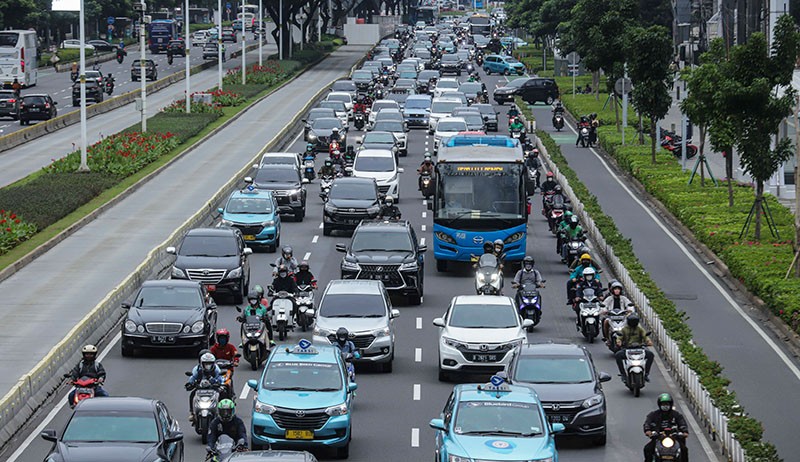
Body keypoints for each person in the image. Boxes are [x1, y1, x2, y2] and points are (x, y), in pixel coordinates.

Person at [643, 393, 689, 462]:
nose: (665, 406)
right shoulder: (654, 415)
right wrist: (648, 431)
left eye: (667, 404)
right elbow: (647, 423)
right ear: (659, 405)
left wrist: (684, 432)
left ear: (670, 404)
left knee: (684, 450)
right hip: (658, 438)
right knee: (647, 449)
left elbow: (682, 424)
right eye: (663, 404)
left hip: (674, 438)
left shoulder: (676, 415)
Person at [615, 314, 654, 383]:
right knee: (618, 355)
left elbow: (645, 336)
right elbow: (619, 337)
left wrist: (648, 341)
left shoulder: (640, 329)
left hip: (639, 349)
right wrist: (619, 342)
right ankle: (623, 374)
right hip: (627, 349)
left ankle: (646, 374)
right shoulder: (624, 329)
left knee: (651, 355)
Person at [185, 352, 224, 417]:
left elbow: (220, 379)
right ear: (201, 363)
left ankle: (222, 412)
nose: (208, 366)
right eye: (206, 364)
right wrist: (190, 384)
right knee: (192, 395)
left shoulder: (216, 370)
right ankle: (192, 413)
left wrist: (219, 384)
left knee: (222, 394)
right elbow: (192, 378)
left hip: (213, 388)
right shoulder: (197, 369)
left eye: (210, 364)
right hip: (200, 388)